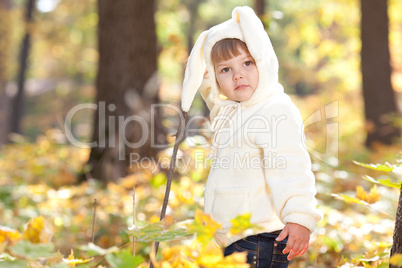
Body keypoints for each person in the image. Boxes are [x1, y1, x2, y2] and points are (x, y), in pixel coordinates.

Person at [180, 6, 323, 267]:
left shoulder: (275, 110)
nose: (238, 74)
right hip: (232, 236)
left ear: (263, 61)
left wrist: (299, 217)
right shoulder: (234, 112)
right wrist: (199, 76)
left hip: (261, 237)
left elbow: (292, 166)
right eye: (225, 70)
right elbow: (216, 101)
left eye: (247, 63)